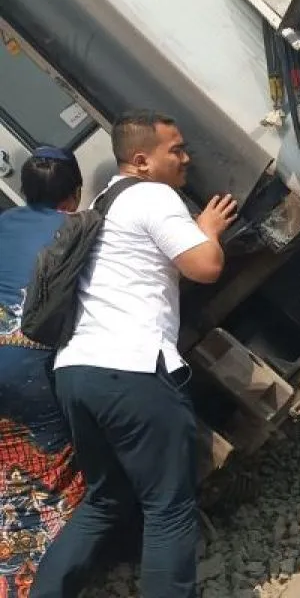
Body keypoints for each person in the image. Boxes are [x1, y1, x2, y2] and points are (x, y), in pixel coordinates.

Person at [33, 111, 238, 598]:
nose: (186, 158)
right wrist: (206, 227)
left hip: (76, 373)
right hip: (131, 371)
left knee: (106, 499)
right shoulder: (152, 195)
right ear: (142, 161)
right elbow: (204, 266)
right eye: (177, 150)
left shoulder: (105, 202)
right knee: (168, 507)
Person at [0, 148, 88, 594]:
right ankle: (33, 584)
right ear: (73, 196)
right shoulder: (76, 229)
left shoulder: (3, 223)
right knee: (52, 475)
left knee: (7, 477)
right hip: (29, 369)